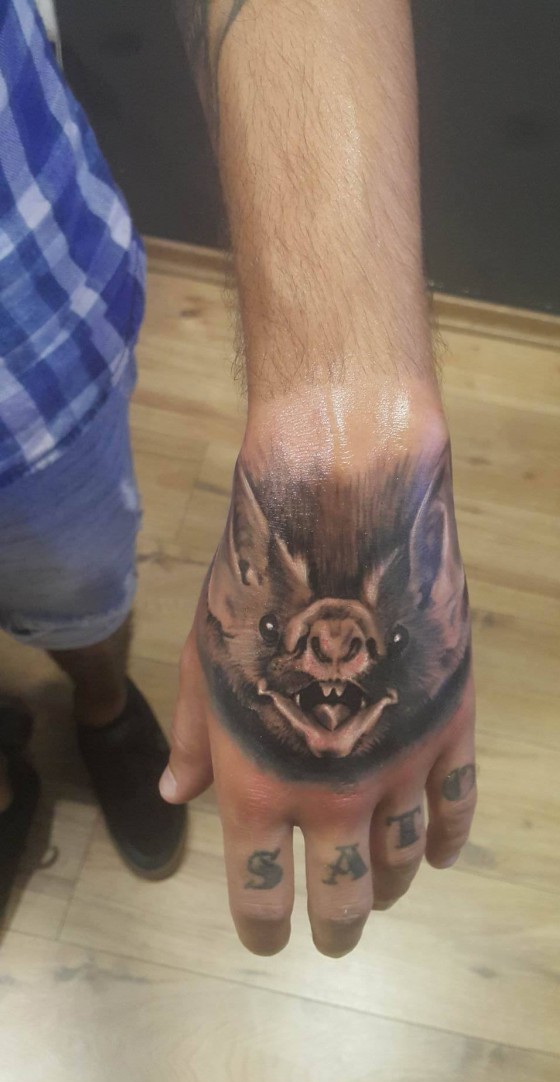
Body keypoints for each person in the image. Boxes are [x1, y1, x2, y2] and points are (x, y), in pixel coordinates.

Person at [1, 0, 478, 957]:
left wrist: (340, 409)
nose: (335, 664)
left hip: (25, 350)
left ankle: (101, 706)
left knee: (80, 586)